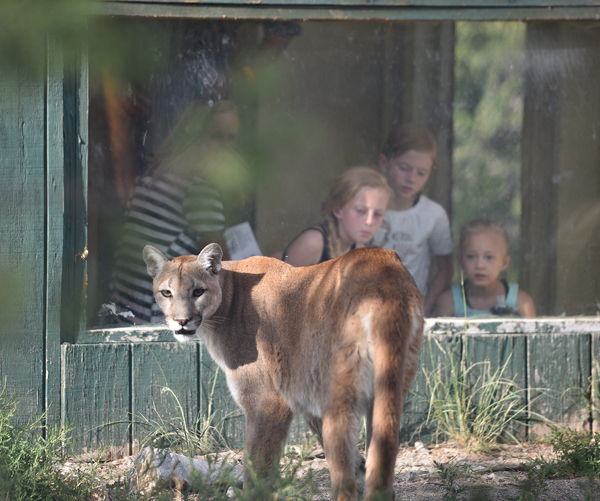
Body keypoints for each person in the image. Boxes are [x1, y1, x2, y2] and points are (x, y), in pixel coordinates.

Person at [107, 100, 242, 325]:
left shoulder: (155, 173)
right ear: (196, 137)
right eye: (216, 137)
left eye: (232, 138)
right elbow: (225, 277)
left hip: (124, 318)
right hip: (157, 323)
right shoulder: (198, 190)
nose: (225, 148)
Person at [372, 124, 454, 316]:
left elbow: (446, 269)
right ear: (384, 163)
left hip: (409, 314)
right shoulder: (364, 208)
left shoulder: (433, 215)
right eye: (404, 168)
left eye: (421, 173)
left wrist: (425, 306)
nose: (412, 179)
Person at [282, 166, 392, 266]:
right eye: (360, 211)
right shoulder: (313, 243)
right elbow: (280, 286)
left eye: (377, 214)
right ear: (338, 210)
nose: (369, 221)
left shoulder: (360, 251)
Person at [435, 218, 536, 317]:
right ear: (460, 261)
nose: (480, 265)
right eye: (471, 257)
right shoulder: (449, 301)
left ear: (504, 263)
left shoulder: (520, 302)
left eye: (489, 257)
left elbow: (534, 333)